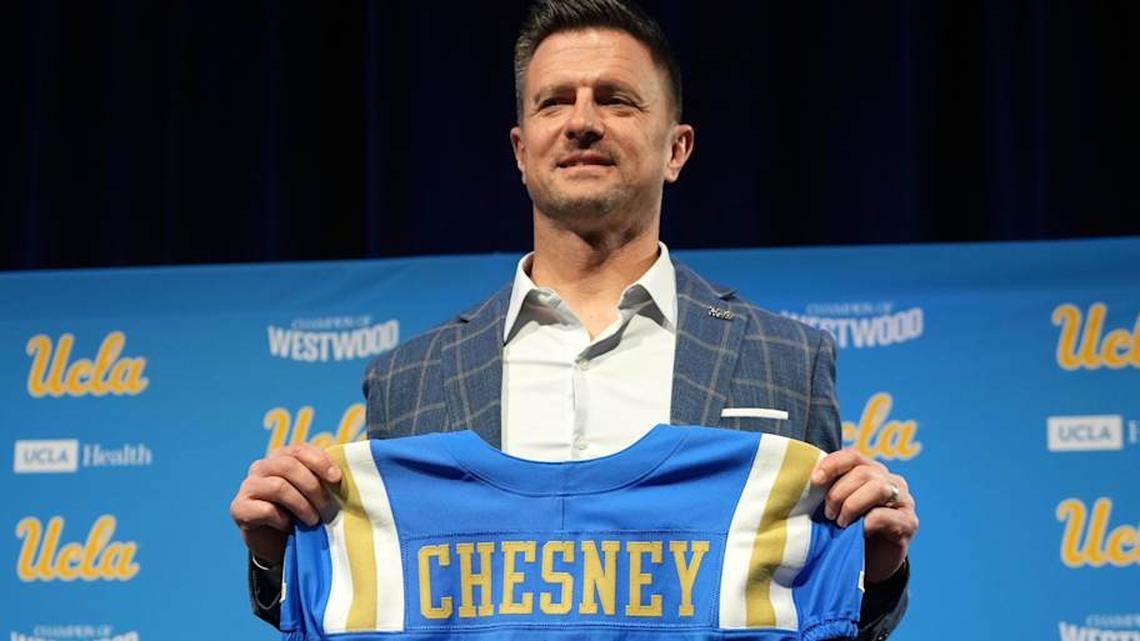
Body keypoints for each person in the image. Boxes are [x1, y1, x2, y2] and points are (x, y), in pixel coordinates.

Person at [229, 1, 918, 638]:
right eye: (554, 102)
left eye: (616, 100)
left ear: (676, 148)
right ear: (521, 150)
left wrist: (878, 566)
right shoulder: (410, 375)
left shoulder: (787, 358)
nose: (581, 121)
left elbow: (821, 613)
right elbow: (384, 606)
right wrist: (276, 554)